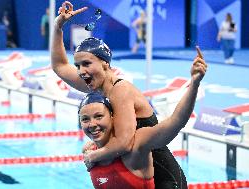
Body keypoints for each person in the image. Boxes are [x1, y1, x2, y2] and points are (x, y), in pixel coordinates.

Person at [51, 1, 207, 188]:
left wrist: (94, 155)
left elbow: (124, 143)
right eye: (78, 66)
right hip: (132, 172)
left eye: (86, 64)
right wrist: (58, 26)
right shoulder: (94, 86)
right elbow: (59, 66)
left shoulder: (120, 90)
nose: (81, 71)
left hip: (163, 175)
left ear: (105, 64)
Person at [79, 66, 206, 188]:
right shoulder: (89, 151)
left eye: (99, 116)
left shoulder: (137, 144)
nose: (92, 124)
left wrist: (194, 85)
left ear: (112, 117)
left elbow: (176, 121)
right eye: (85, 119)